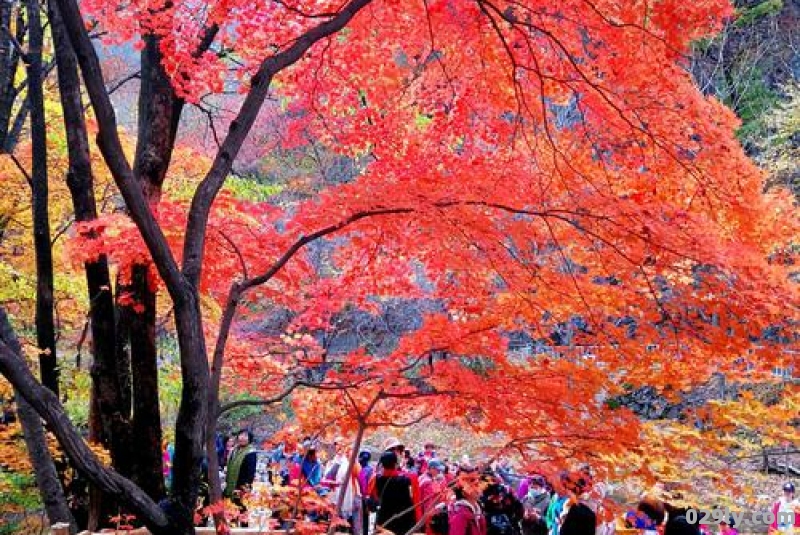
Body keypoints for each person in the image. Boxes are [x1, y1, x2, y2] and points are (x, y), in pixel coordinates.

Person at [372, 451, 418, 535]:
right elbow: (410, 499)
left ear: (382, 464)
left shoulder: (377, 479)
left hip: (384, 519)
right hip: (402, 520)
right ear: (395, 464)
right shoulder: (405, 480)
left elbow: (375, 497)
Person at [450, 467, 488, 535]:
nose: (479, 488)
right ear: (463, 492)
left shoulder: (477, 507)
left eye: (478, 483)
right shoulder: (460, 514)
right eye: (474, 485)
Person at [224, 429, 257, 499]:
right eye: (240, 435)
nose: (242, 437)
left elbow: (250, 474)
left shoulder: (251, 453)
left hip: (241, 487)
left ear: (249, 439)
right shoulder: (234, 450)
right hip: (230, 485)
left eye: (245, 436)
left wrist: (244, 489)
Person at [420, 460, 449, 535]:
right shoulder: (428, 482)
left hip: (427, 512)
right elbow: (429, 503)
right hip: (430, 513)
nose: (439, 471)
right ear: (431, 469)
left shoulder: (423, 477)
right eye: (437, 469)